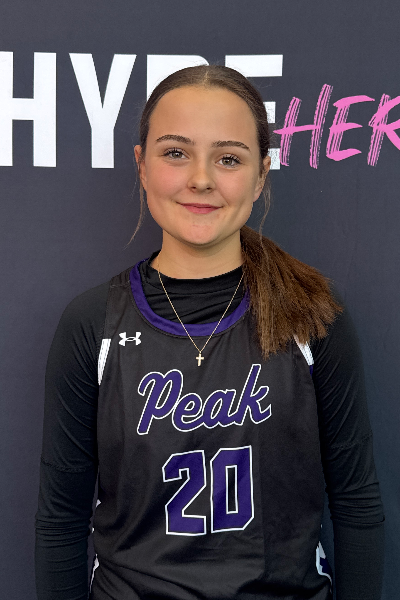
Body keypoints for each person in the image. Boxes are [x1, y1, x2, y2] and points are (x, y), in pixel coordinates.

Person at [35, 65, 384, 600]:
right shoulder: (92, 323)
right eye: (176, 152)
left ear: (261, 175)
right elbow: (61, 520)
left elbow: (357, 503)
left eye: (228, 158)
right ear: (142, 166)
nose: (201, 178)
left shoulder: (313, 316)